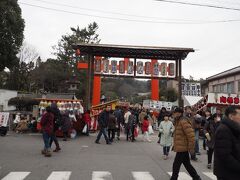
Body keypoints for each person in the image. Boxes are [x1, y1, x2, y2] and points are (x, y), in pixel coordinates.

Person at [170, 107, 201, 180]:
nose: (173, 114)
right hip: (182, 147)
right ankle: (196, 178)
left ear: (179, 113)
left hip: (183, 147)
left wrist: (191, 148)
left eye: (175, 113)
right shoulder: (178, 120)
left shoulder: (183, 121)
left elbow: (191, 135)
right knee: (187, 165)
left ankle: (174, 178)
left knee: (176, 165)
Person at [214, 106, 240, 180]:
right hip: (227, 173)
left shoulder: (235, 128)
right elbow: (224, 156)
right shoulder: (224, 130)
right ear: (231, 116)